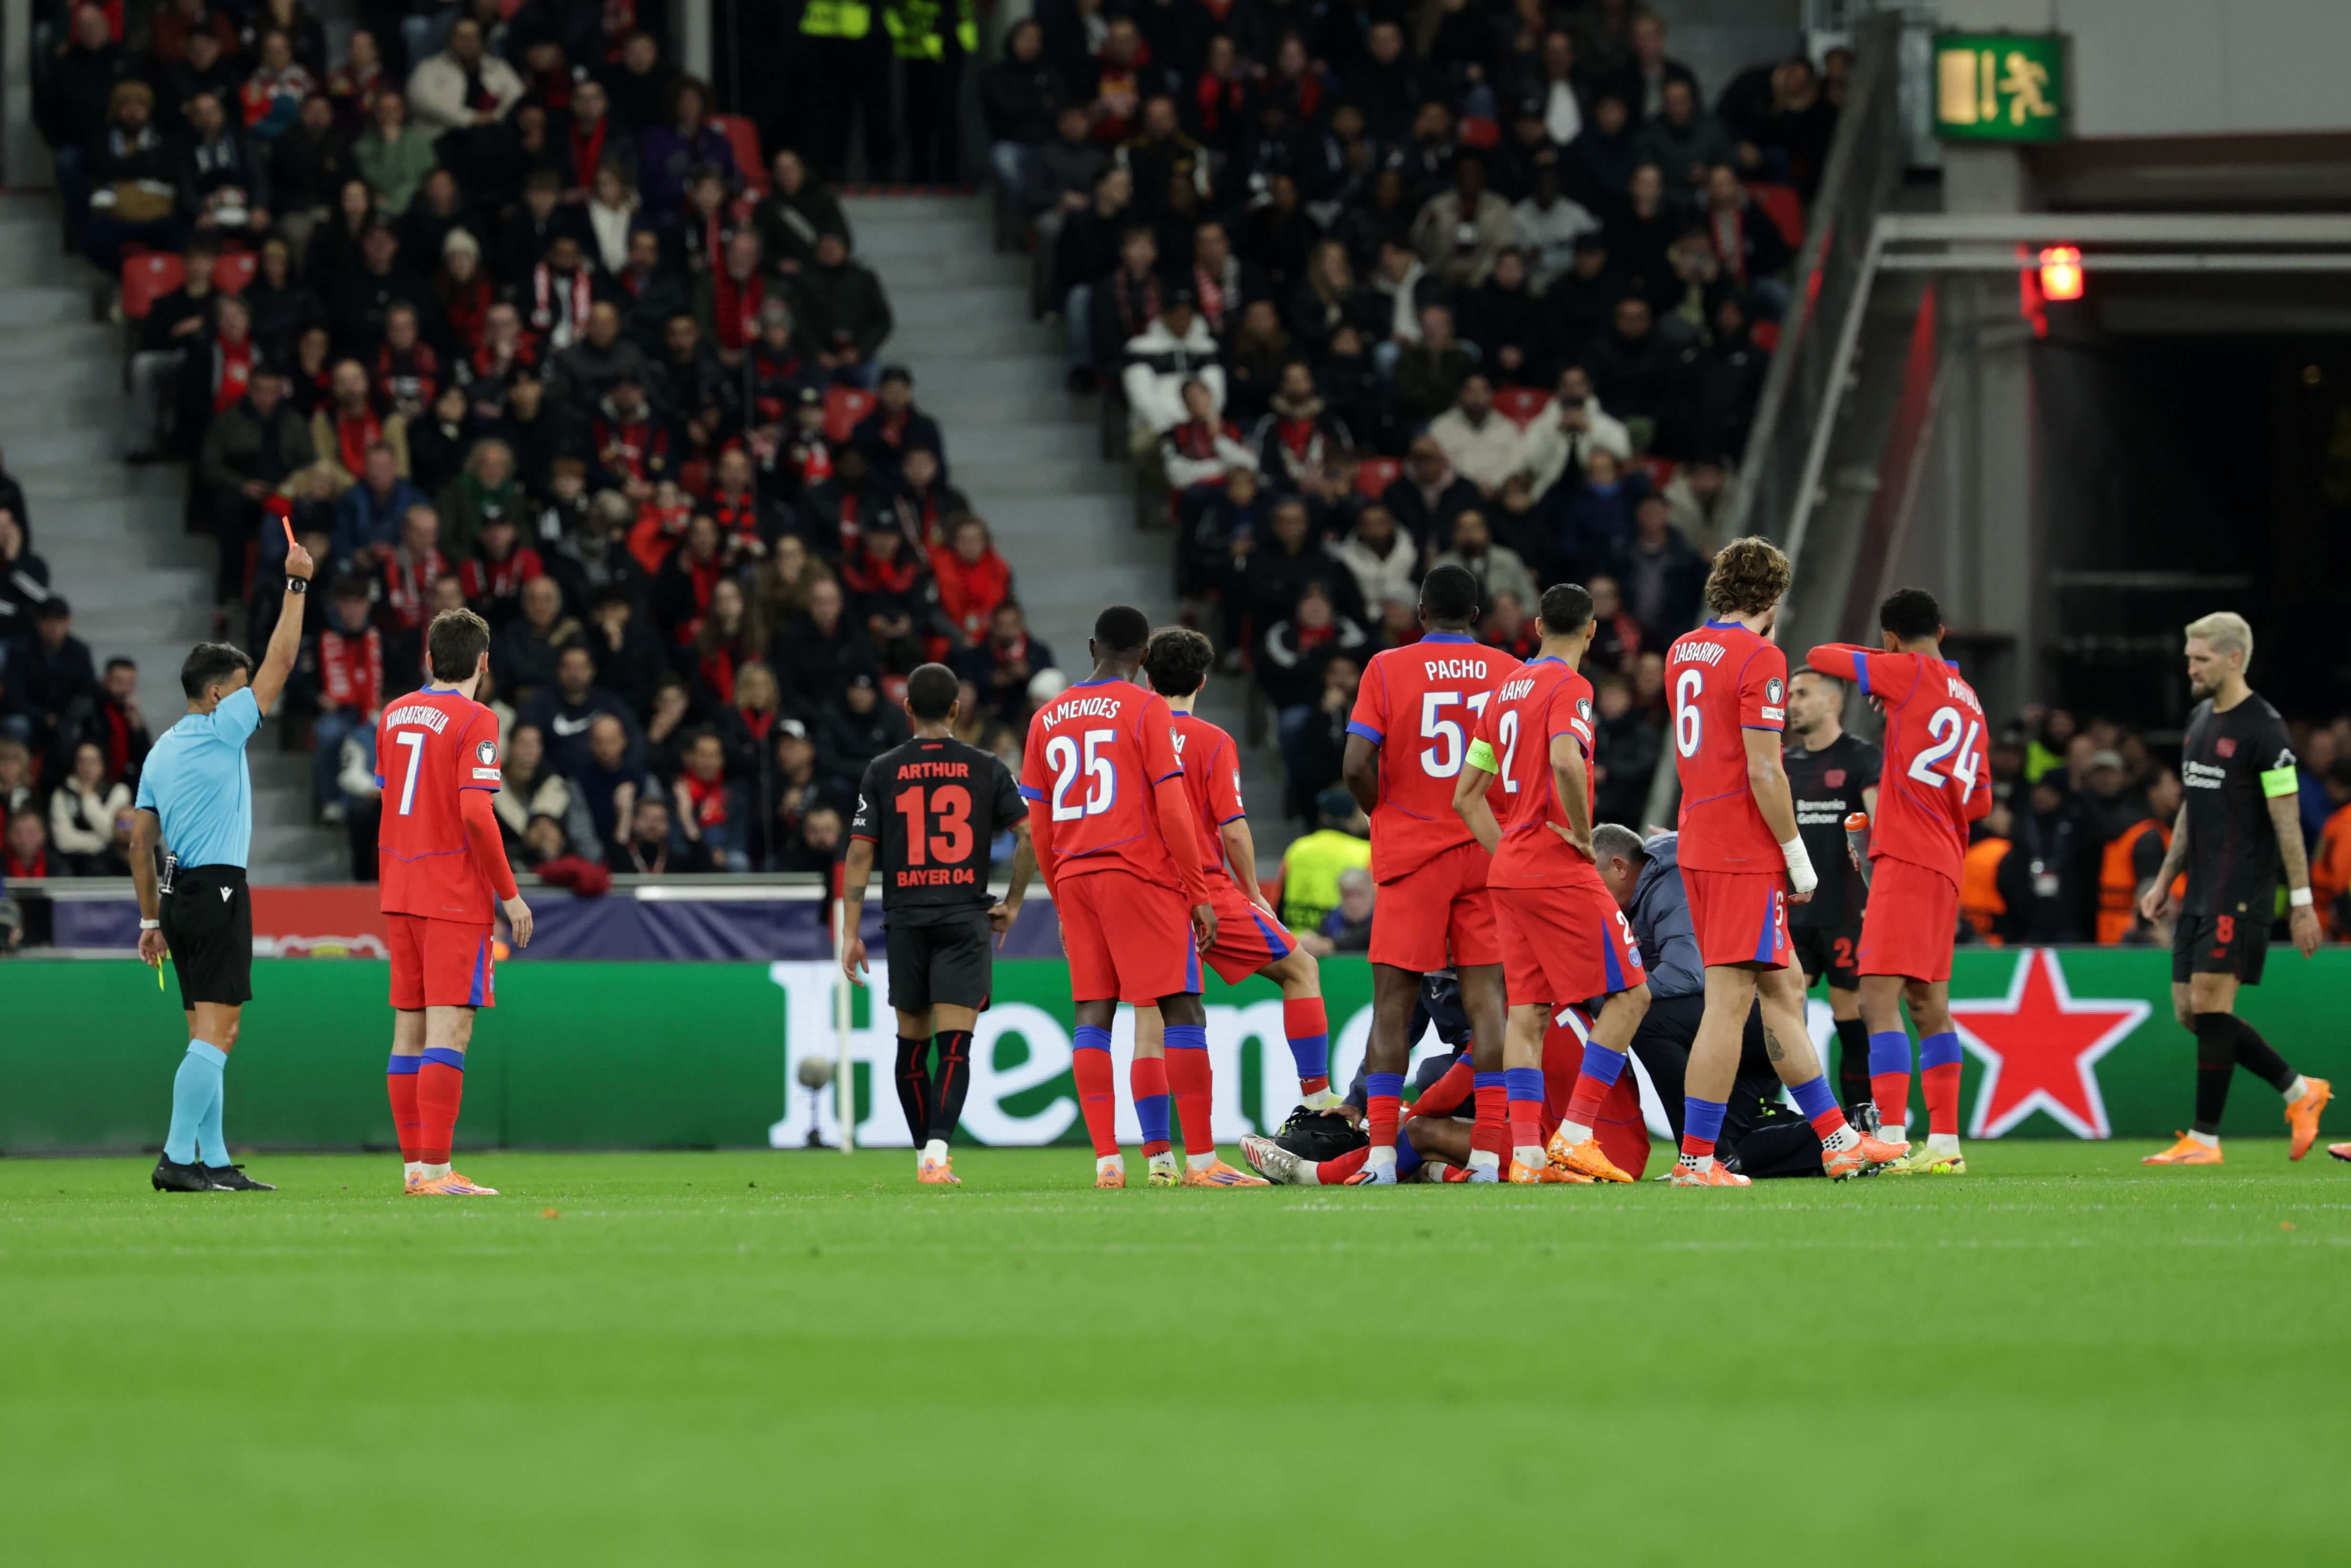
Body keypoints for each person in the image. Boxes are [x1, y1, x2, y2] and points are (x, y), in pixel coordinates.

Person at [1664, 537, 1902, 1185]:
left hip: (1701, 835)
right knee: (1728, 1001)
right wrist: (1795, 853)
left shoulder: (1682, 650)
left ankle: (1837, 1140)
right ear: (1772, 596)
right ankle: (1696, 1160)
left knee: (1785, 985)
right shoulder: (1760, 656)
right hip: (1740, 847)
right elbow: (1764, 769)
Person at [130, 542, 317, 1193]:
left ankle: (211, 1160)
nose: (249, 702)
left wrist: (149, 920)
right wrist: (296, 586)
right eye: (239, 690)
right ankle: (175, 1158)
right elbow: (282, 661)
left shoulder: (160, 751)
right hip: (217, 890)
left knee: (204, 1034)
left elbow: (139, 843)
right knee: (221, 1031)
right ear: (215, 695)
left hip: (178, 897)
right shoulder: (219, 728)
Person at [1452, 580, 1651, 1184]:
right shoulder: (1571, 687)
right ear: (1591, 630)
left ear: (1537, 626)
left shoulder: (1502, 693)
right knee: (1632, 995)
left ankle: (1528, 1156)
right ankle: (1576, 1134)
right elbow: (1566, 758)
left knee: (1529, 1013)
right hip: (1556, 865)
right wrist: (1584, 837)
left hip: (1510, 872)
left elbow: (1466, 797)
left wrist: (1510, 851)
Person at [1018, 605, 1214, 1189]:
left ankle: (1107, 1160)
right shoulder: (1148, 708)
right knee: (1181, 1007)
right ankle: (1203, 1162)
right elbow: (1172, 806)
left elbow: (1038, 826)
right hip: (1138, 873)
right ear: (1145, 657)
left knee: (1092, 1014)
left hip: (1075, 877)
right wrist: (1198, 890)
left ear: (1090, 646)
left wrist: (1060, 898)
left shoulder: (1046, 718)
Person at [1803, 591, 1989, 1173]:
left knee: (1875, 999)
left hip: (1906, 855)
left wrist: (1887, 672)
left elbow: (1820, 655)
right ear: (1942, 630)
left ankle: (1890, 1138)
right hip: (1946, 860)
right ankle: (1946, 1145)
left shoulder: (1904, 672)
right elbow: (1979, 802)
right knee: (1928, 1003)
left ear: (1889, 637)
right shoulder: (1969, 697)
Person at [2134, 611, 2330, 1164]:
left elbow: (2287, 819)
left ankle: (2204, 1140)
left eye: (2200, 659)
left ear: (2233, 659)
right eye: (2189, 658)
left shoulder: (2265, 730)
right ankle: (2300, 1091)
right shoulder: (2199, 718)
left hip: (2241, 887)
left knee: (2209, 1004)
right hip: (2199, 887)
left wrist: (2301, 903)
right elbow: (2191, 808)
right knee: (2190, 1012)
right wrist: (2165, 880)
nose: (2190, 668)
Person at [1339, 564, 1512, 1183]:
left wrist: (1383, 813)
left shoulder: (1387, 668)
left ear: (1420, 612)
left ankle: (1382, 1157)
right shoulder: (1508, 671)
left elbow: (1355, 763)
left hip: (1412, 853)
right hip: (1486, 849)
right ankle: (1488, 1155)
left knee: (1392, 1005)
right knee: (1488, 1003)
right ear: (1476, 616)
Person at [1139, 627, 1331, 1164]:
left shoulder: (1131, 737)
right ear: (1203, 681)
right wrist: (1254, 894)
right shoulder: (1212, 740)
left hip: (1149, 894)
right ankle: (1317, 1098)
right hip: (1207, 890)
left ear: (1148, 680)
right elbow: (1234, 829)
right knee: (1301, 969)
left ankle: (1158, 1159)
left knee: (1151, 1024)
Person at [840, 664, 1035, 1186]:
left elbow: (859, 853)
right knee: (954, 1047)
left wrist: (850, 933)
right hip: (963, 919)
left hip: (906, 921)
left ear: (907, 708)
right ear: (956, 709)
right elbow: (1030, 834)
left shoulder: (882, 769)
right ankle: (937, 1153)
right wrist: (1014, 903)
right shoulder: (987, 766)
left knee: (911, 1049)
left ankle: (924, 1157)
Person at [373, 607, 536, 1197]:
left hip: (400, 887)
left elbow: (390, 794)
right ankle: (438, 1172)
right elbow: (475, 811)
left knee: (408, 1033)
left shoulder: (393, 713)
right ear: (483, 663)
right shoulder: (477, 719)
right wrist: (510, 896)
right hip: (451, 894)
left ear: (429, 658)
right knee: (450, 1030)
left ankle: (416, 1170)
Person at [1780, 664, 1881, 1118]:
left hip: (1848, 912)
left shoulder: (1862, 759)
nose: (1792, 704)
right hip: (1792, 912)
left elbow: (1881, 830)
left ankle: (1863, 1119)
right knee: (1779, 1016)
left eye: (1802, 694)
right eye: (1790, 695)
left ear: (1834, 701)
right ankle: (1772, 1114)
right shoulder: (1782, 763)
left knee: (1853, 1019)